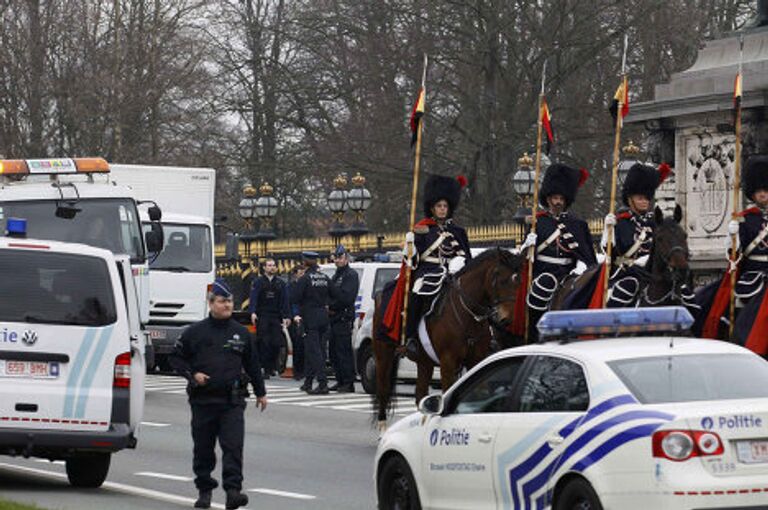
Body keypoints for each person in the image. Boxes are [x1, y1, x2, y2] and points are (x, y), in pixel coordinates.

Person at [169, 279, 267, 510]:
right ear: (211, 303)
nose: (228, 305)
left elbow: (253, 365)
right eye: (223, 301)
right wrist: (193, 375)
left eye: (230, 301)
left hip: (232, 401)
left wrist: (261, 393)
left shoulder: (241, 333)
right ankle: (205, 491)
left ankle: (233, 492)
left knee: (233, 447)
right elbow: (176, 358)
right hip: (203, 400)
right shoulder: (195, 332)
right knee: (203, 449)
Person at [523, 164, 596, 339]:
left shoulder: (577, 224)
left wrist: (589, 271)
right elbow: (525, 257)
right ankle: (535, 332)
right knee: (544, 285)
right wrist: (528, 245)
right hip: (543, 272)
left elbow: (588, 256)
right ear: (548, 199)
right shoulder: (537, 222)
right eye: (554, 198)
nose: (558, 202)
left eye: (561, 198)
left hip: (567, 273)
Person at [405, 174, 471, 357]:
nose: (442, 210)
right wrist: (409, 245)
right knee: (418, 292)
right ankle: (411, 337)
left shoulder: (458, 231)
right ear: (432, 208)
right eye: (439, 206)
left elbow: (468, 258)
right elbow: (413, 262)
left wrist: (461, 264)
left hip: (453, 272)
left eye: (445, 206)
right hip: (428, 271)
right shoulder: (422, 229)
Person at [602, 163, 671, 307]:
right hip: (628, 272)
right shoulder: (620, 222)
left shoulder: (655, 222)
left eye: (647, 198)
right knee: (628, 287)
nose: (645, 202)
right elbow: (610, 252)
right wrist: (608, 230)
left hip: (653, 274)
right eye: (640, 198)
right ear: (630, 199)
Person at [729, 156, 768, 355]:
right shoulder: (745, 219)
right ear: (753, 194)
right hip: (754, 274)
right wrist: (732, 236)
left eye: (766, 190)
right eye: (759, 191)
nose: (763, 194)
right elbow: (734, 254)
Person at [291, 251, 332, 394]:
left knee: (315, 352)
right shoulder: (325, 277)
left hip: (310, 317)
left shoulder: (305, 279)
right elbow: (334, 294)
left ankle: (322, 383)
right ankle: (308, 382)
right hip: (323, 316)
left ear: (304, 262)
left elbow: (294, 297)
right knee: (314, 350)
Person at [249, 258, 291, 379]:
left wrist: (287, 316)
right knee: (264, 342)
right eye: (269, 265)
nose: (271, 267)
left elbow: (285, 301)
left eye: (273, 265)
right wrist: (252, 312)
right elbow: (254, 298)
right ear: (264, 268)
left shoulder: (281, 283)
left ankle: (272, 366)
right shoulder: (258, 282)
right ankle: (265, 368)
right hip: (263, 315)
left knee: (276, 342)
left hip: (276, 316)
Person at [327, 244, 360, 392]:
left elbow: (346, 298)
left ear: (346, 258)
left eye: (340, 257)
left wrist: (331, 307)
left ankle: (348, 382)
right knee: (334, 352)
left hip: (343, 317)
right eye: (336, 257)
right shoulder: (337, 275)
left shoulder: (350, 275)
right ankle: (340, 379)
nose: (337, 260)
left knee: (343, 352)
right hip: (333, 318)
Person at [287, 265, 306, 380]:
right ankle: (298, 371)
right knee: (298, 345)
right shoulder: (290, 287)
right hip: (295, 319)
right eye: (300, 273)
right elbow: (291, 303)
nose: (303, 275)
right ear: (295, 274)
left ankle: (305, 370)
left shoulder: (307, 285)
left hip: (306, 317)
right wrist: (294, 315)